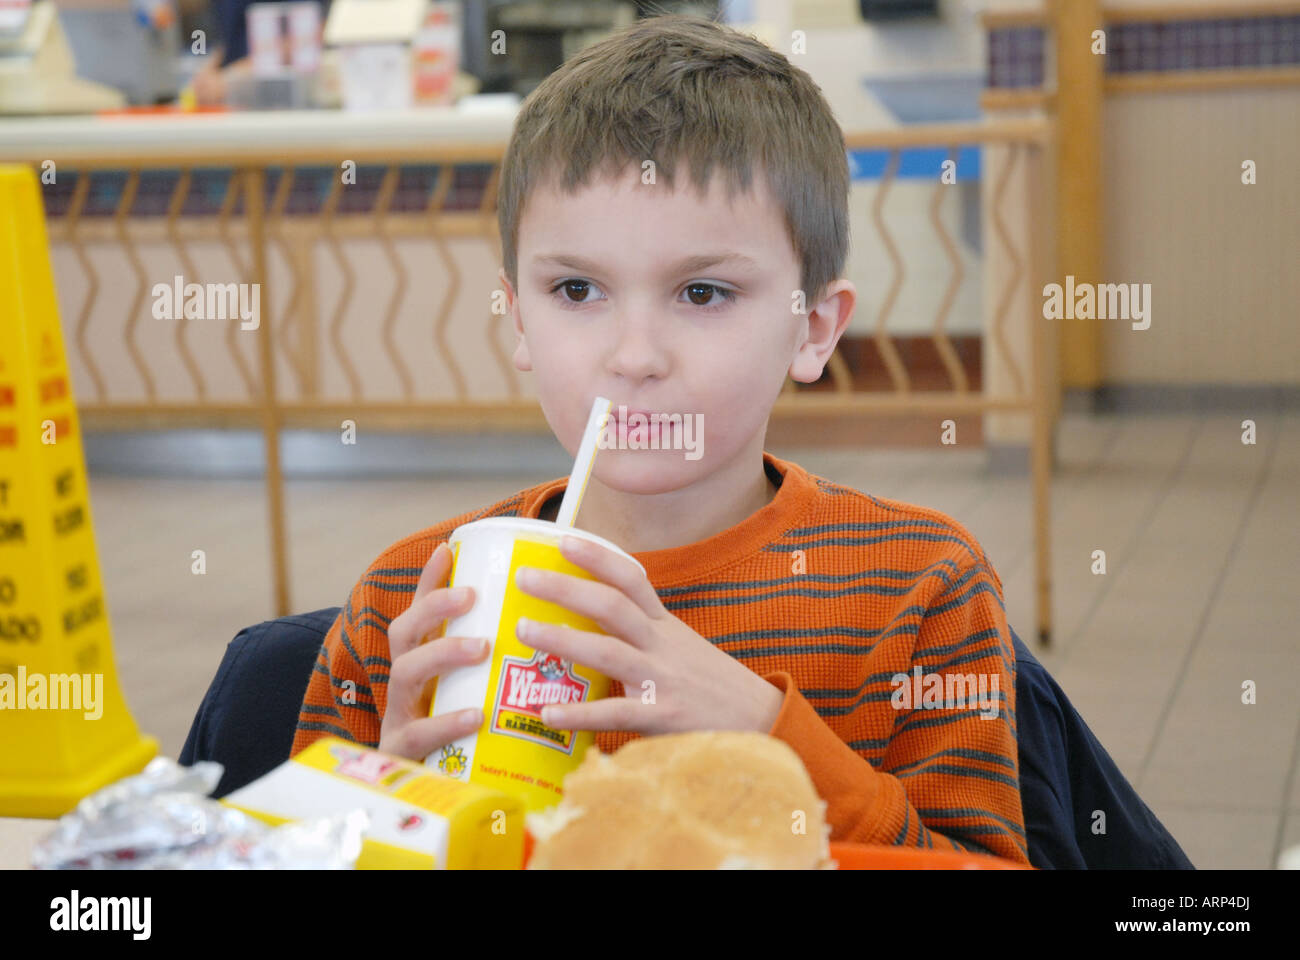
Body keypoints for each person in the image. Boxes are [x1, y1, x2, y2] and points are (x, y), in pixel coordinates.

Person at [292, 13, 1029, 862]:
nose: (633, 357)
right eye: (576, 289)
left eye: (704, 293)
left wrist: (767, 729)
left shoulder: (924, 589)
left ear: (814, 328)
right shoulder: (411, 602)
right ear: (518, 316)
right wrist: (387, 811)